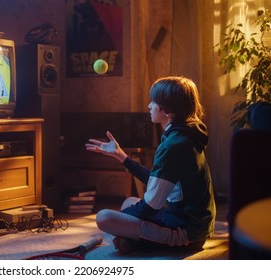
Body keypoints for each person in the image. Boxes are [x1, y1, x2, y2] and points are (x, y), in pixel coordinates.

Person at [85, 76, 216, 253]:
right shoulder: (184, 136)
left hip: (186, 233)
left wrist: (120, 223)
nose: (149, 106)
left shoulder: (174, 146)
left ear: (168, 111)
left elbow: (150, 205)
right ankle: (132, 240)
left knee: (104, 218)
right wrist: (120, 155)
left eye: (154, 101)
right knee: (129, 202)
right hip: (191, 223)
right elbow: (158, 182)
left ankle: (134, 241)